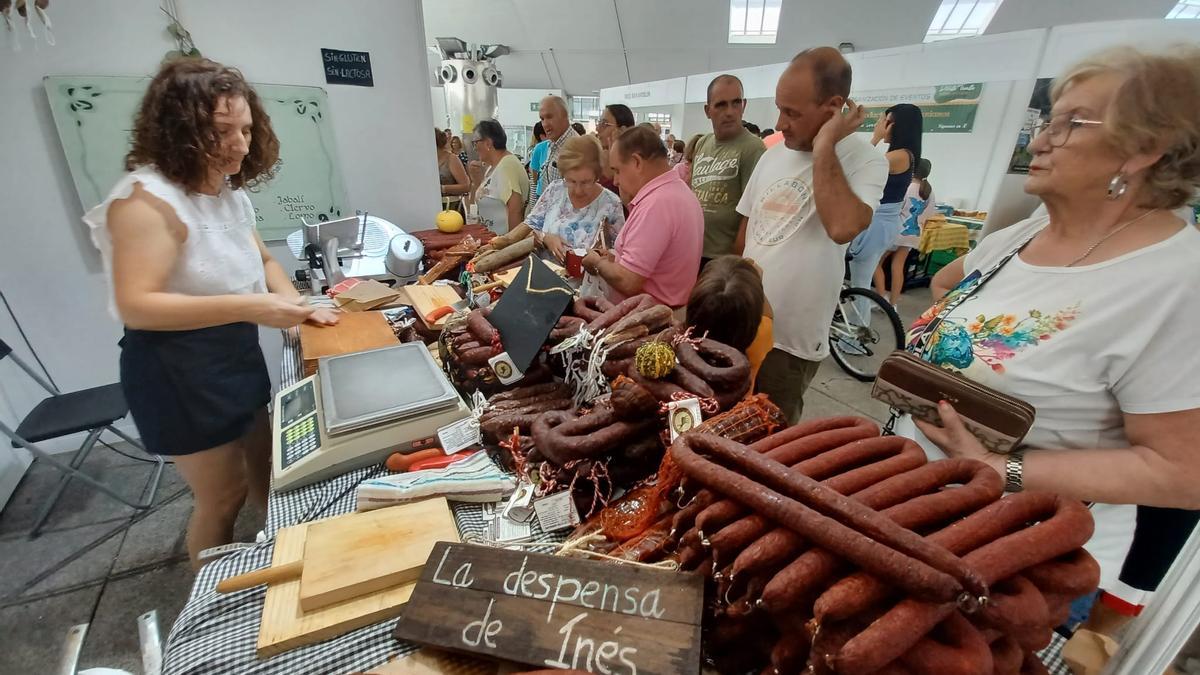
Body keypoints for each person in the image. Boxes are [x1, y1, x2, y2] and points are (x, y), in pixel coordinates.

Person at [897, 46, 1200, 624]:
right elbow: (943, 284)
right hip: (921, 503)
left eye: (1069, 124)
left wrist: (1004, 468)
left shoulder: (1178, 281)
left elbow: (1184, 473)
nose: (1037, 141)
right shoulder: (1026, 232)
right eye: (1047, 120)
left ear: (1144, 149)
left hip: (1020, 555)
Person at [81, 58, 339, 568]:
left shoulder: (226, 194)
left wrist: (295, 304)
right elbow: (138, 303)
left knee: (265, 468)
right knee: (223, 496)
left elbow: (262, 260)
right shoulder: (144, 201)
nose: (241, 144)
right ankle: (210, 601)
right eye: (223, 131)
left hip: (233, 350)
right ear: (181, 130)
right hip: (176, 366)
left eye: (246, 129)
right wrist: (257, 306)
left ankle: (276, 549)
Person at [735, 47, 888, 424]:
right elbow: (745, 236)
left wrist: (824, 147)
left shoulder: (865, 160)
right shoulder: (773, 155)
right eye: (779, 108)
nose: (780, 122)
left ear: (833, 107)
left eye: (793, 112)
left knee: (770, 440)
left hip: (790, 344)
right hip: (743, 324)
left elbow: (842, 226)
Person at [582, 124, 703, 309]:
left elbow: (629, 281)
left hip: (648, 321)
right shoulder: (679, 192)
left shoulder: (657, 204)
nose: (615, 180)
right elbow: (654, 267)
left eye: (617, 170)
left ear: (636, 162)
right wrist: (615, 260)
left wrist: (597, 262)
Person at [487, 135, 624, 263]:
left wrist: (600, 258)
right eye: (571, 181)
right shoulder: (555, 190)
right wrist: (546, 238)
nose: (578, 190)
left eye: (585, 182)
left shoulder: (611, 203)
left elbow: (620, 254)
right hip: (543, 278)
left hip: (586, 284)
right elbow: (530, 227)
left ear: (597, 175)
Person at [846, 103, 922, 319]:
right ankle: (857, 330)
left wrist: (875, 137)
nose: (879, 124)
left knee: (860, 283)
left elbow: (860, 166)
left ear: (894, 126)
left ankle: (857, 337)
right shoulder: (905, 155)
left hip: (876, 226)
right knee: (861, 280)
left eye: (883, 120)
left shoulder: (899, 156)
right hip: (882, 224)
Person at [692, 74, 766, 266]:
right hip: (694, 250)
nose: (730, 112)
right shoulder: (702, 143)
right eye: (721, 105)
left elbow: (751, 212)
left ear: (744, 105)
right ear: (708, 110)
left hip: (723, 258)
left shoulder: (753, 147)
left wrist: (735, 261)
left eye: (736, 103)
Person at [686, 255, 773, 385]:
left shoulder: (679, 342)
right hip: (743, 403)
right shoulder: (761, 335)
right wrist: (757, 282)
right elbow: (769, 315)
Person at [874, 158, 935, 305]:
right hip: (913, 233)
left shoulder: (906, 187)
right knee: (898, 267)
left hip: (896, 231)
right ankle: (893, 304)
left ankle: (882, 297)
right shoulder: (929, 192)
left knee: (875, 262)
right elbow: (929, 216)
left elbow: (893, 209)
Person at [471, 119, 529, 234]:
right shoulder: (492, 167)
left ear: (488, 143)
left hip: (502, 242)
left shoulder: (507, 165)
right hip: (491, 240)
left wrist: (510, 246)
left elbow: (515, 210)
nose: (474, 148)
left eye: (475, 143)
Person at [537, 95, 580, 189]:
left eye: (549, 117)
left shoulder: (576, 147)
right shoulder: (552, 144)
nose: (545, 124)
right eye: (542, 119)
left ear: (565, 116)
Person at [596, 103, 635, 195]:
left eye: (604, 124)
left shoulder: (634, 163)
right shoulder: (600, 156)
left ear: (623, 130)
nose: (597, 128)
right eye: (599, 123)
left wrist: (612, 175)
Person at [436, 127, 470, 211]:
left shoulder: (451, 158)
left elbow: (466, 186)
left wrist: (442, 188)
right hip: (431, 207)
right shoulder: (427, 160)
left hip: (451, 207)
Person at [528, 121, 550, 200]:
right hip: (541, 192)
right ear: (542, 136)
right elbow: (534, 172)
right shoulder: (538, 148)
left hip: (541, 191)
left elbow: (534, 173)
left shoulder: (537, 148)